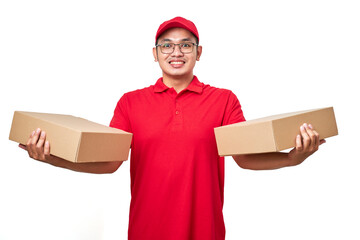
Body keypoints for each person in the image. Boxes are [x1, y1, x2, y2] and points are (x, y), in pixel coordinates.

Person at [20, 17, 325, 240]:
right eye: (166, 45)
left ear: (199, 52)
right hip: (146, 232)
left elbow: (244, 158)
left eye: (185, 45)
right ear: (155, 53)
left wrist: (292, 158)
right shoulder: (130, 102)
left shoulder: (223, 100)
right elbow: (110, 162)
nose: (176, 52)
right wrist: (51, 157)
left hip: (205, 232)